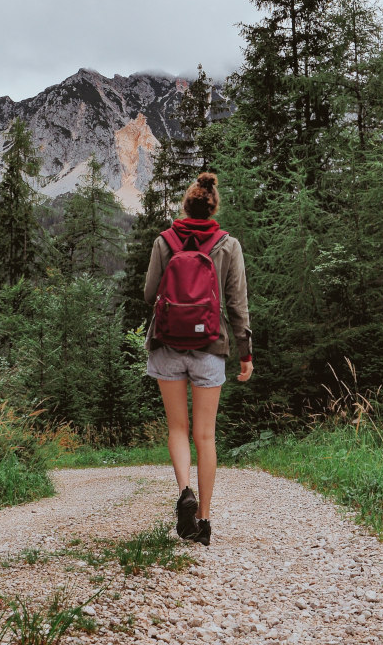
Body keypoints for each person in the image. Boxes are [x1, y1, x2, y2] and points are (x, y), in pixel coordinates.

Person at [144, 172, 253, 546]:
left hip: (167, 344)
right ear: (213, 207)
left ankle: (184, 491)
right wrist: (246, 353)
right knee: (205, 435)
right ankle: (203, 522)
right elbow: (238, 304)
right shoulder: (229, 244)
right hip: (210, 346)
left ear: (185, 207)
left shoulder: (165, 241)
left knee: (178, 428)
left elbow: (148, 293)